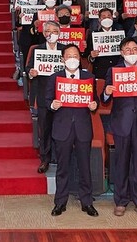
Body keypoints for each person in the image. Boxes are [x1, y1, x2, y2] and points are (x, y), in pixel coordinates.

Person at [100, 38, 137, 217]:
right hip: (121, 122)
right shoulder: (114, 71)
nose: (132, 52)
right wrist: (106, 92)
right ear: (121, 52)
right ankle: (120, 201)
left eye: (135, 49)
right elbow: (104, 99)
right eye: (128, 49)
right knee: (121, 163)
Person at [47, 44, 99, 217]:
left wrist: (94, 105)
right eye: (68, 56)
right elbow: (47, 101)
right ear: (63, 59)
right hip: (62, 128)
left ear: (80, 59)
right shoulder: (55, 78)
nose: (72, 59)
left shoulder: (88, 77)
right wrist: (52, 104)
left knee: (85, 166)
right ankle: (60, 202)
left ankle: (87, 202)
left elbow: (96, 101)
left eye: (75, 56)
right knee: (63, 167)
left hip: (83, 127)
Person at [27, 21, 63, 173]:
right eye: (48, 31)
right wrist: (31, 72)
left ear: (59, 33)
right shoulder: (37, 50)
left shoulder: (66, 50)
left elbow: (78, 69)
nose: (51, 33)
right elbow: (28, 67)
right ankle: (45, 159)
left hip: (62, 95)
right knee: (45, 129)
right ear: (43, 33)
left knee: (63, 130)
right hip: (43, 95)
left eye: (55, 30)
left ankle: (61, 159)